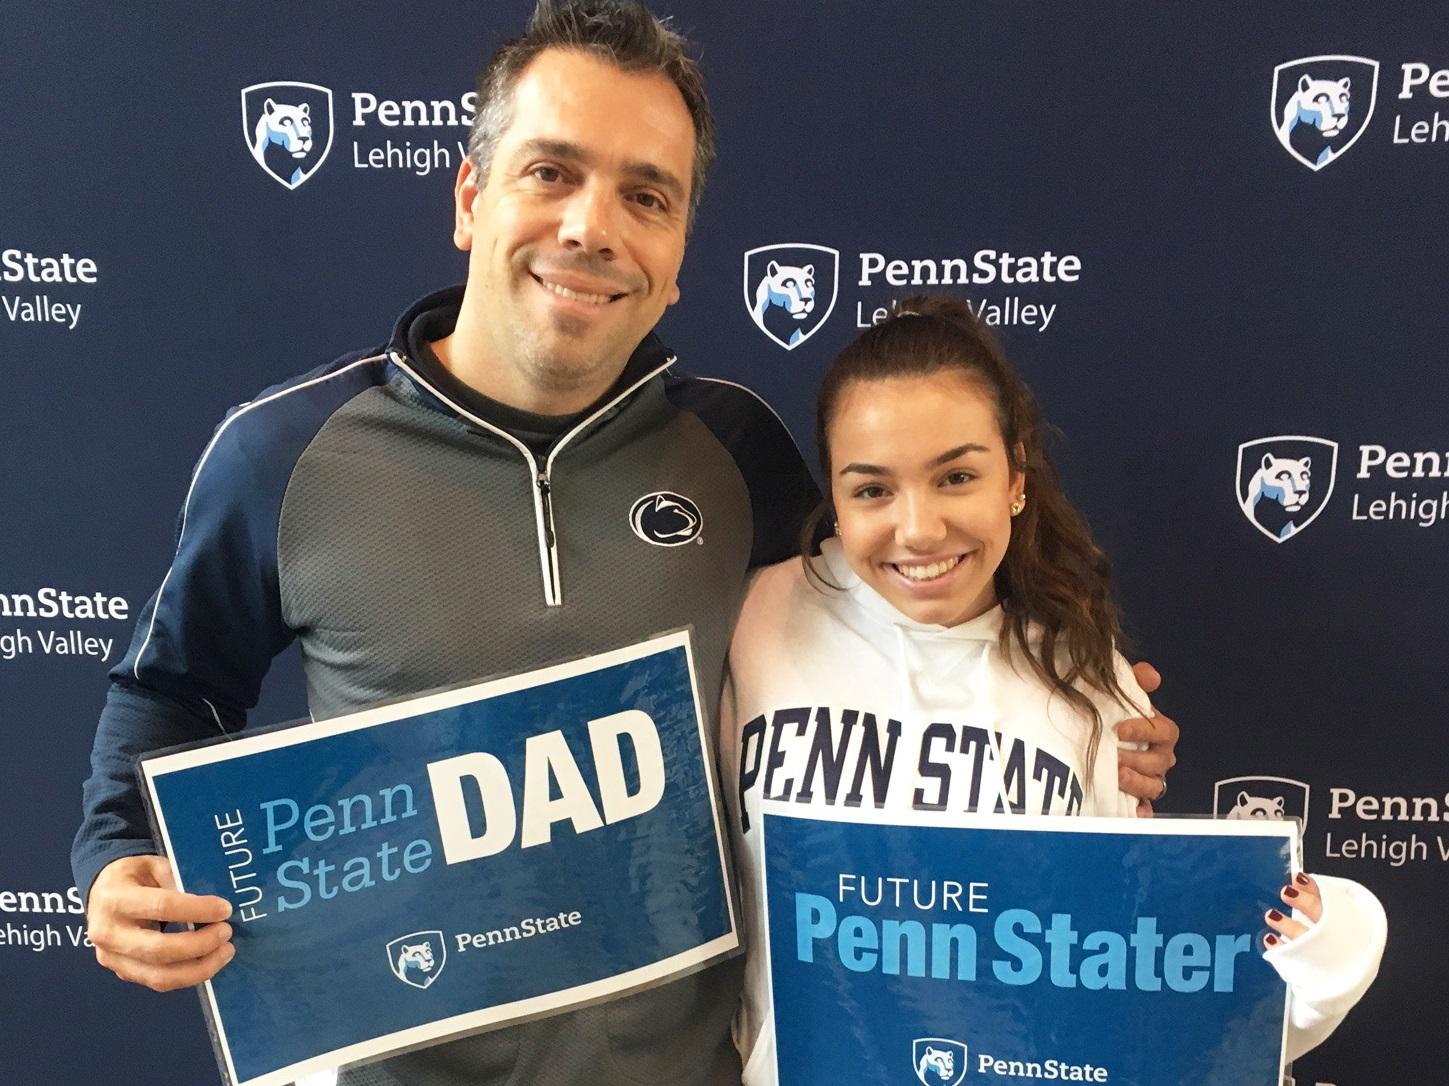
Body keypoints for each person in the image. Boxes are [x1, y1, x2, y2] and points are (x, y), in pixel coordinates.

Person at [70, 3, 1176, 1085]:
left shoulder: (735, 449)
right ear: (470, 196)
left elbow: (880, 638)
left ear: (679, 251)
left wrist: (1077, 716)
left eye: (646, 196)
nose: (591, 228)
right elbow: (172, 691)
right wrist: (119, 858)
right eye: (551, 172)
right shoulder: (288, 455)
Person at [721, 296, 1386, 1085]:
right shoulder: (747, 614)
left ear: (1013, 480)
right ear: (833, 495)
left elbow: (1131, 980)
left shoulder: (1086, 683)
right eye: (871, 490)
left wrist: (1329, 951)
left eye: (956, 477)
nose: (918, 528)